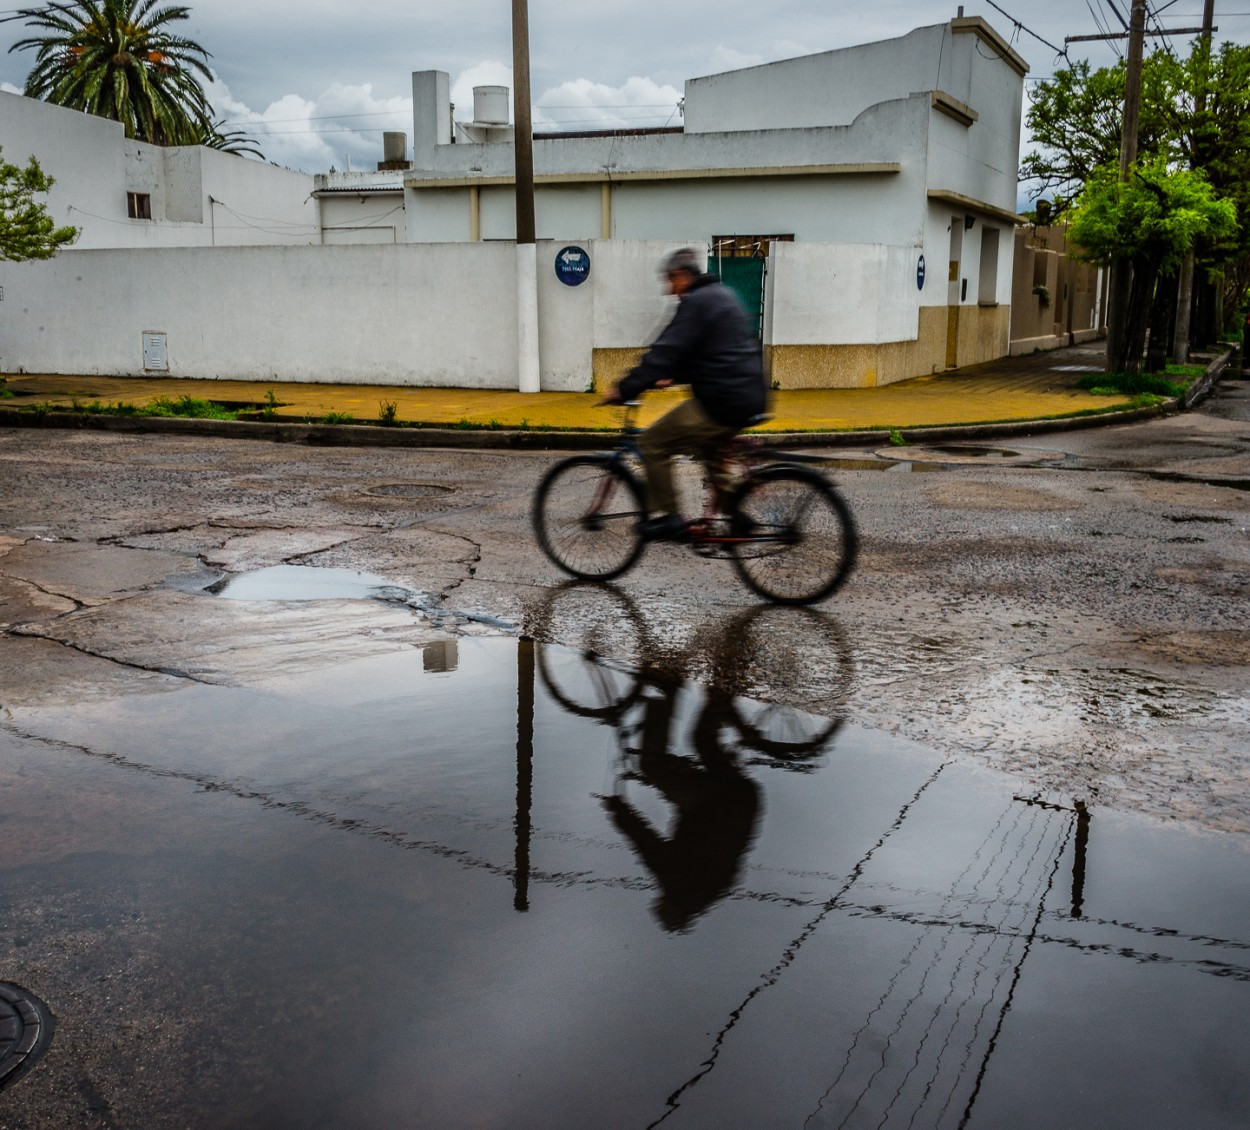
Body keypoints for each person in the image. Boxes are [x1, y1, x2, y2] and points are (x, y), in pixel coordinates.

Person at [600, 247, 769, 540]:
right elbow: (715, 352)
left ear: (682, 275)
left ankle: (670, 518)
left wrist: (625, 387)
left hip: (722, 400)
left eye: (670, 281)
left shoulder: (696, 302)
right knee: (708, 448)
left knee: (653, 442)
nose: (669, 290)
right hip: (748, 395)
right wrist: (675, 376)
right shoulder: (722, 295)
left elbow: (666, 350)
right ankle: (736, 513)